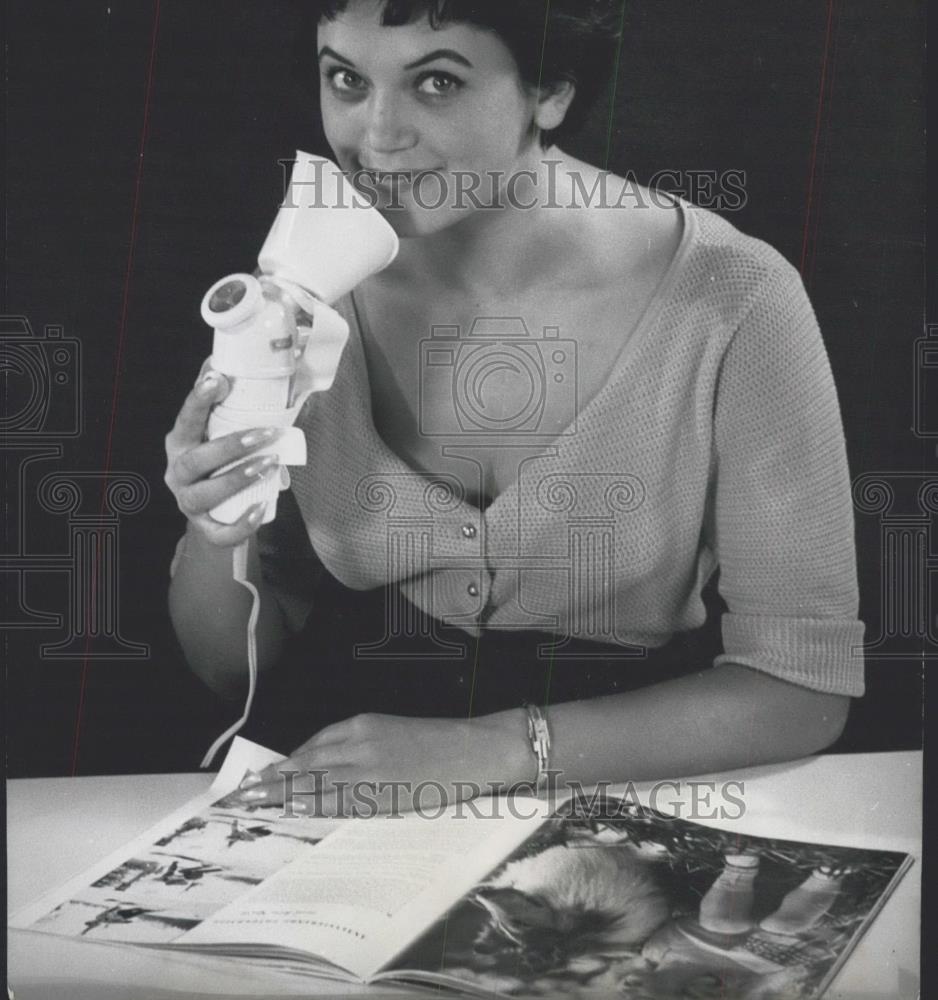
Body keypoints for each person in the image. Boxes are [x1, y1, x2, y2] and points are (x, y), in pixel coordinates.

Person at [164, 0, 864, 814]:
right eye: (347, 80)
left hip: (626, 778)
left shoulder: (734, 298)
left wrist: (494, 750)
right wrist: (213, 526)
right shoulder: (303, 293)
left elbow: (803, 690)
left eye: (436, 82)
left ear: (551, 91)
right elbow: (231, 672)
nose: (377, 136)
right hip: (347, 786)